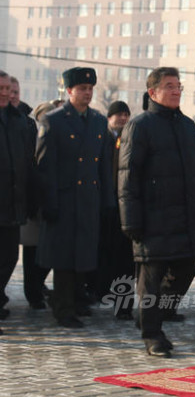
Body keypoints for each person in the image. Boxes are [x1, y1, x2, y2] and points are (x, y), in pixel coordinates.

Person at [118, 68, 195, 357]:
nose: (176, 91)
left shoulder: (186, 126)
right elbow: (127, 176)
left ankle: (151, 317)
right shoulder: (140, 126)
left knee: (186, 269)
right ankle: (152, 335)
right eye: (169, 86)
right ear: (153, 93)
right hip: (152, 218)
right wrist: (130, 220)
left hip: (185, 217)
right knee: (151, 278)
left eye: (178, 86)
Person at [36, 67, 113, 328]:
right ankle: (63, 308)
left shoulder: (99, 121)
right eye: (82, 89)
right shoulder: (54, 120)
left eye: (90, 89)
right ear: (69, 91)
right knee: (64, 259)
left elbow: (104, 165)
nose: (87, 93)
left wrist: (107, 202)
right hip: (65, 201)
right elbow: (46, 166)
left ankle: (77, 301)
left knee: (84, 256)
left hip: (89, 200)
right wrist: (50, 203)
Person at [0, 71, 38, 333]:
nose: (4, 92)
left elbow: (28, 163)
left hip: (12, 205)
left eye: (7, 88)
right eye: (0, 88)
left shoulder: (19, 122)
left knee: (9, 258)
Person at [95, 100, 134, 320]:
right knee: (104, 254)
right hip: (104, 205)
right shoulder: (103, 138)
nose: (122, 118)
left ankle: (122, 303)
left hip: (124, 207)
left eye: (125, 115)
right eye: (118, 115)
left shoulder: (129, 138)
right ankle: (101, 292)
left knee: (123, 259)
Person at [20, 99, 60, 310]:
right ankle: (33, 292)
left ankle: (37, 288)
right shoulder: (32, 136)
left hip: (49, 204)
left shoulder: (54, 137)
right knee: (31, 253)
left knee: (47, 254)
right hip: (33, 205)